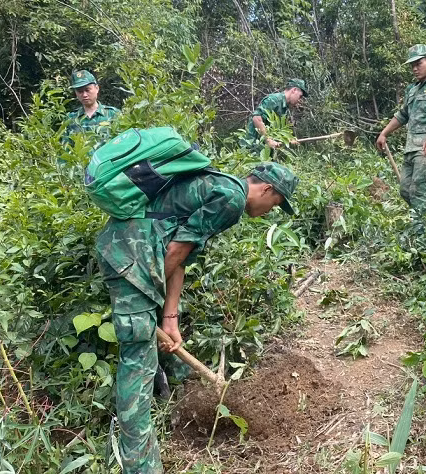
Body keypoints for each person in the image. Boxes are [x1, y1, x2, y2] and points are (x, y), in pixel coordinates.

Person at [95, 162, 298, 474]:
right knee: (137, 361)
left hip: (132, 251)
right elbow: (177, 250)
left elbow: (180, 255)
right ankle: (139, 466)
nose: (271, 210)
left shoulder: (222, 187)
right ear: (267, 188)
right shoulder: (231, 199)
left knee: (153, 343)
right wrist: (148, 293)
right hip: (131, 256)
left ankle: (178, 399)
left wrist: (170, 318)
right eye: (276, 203)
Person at [376, 44, 426, 225]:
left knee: (419, 191)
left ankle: (424, 234)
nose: (414, 68)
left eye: (418, 63)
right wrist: (384, 133)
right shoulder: (412, 89)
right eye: (412, 65)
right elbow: (403, 115)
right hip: (411, 148)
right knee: (405, 191)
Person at [240, 79, 308, 154]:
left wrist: (288, 139)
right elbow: (256, 118)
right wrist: (268, 140)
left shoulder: (284, 107)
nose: (299, 100)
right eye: (300, 96)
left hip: (263, 151)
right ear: (294, 90)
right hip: (252, 148)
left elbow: (276, 130)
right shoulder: (274, 100)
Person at [61, 70, 120, 149]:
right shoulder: (71, 118)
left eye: (87, 90)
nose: (84, 95)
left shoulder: (113, 114)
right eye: (80, 91)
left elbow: (121, 143)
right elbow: (65, 148)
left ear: (97, 88)